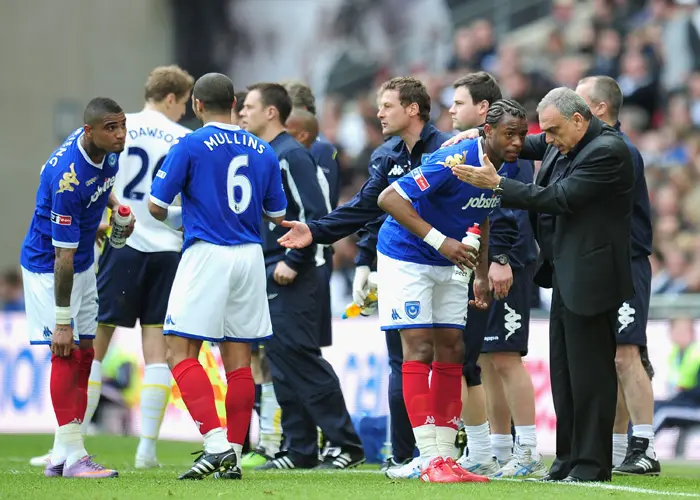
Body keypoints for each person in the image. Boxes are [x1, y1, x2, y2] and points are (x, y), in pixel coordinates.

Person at [450, 87, 635, 482]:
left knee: (591, 375)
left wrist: (495, 183)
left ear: (579, 120)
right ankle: (567, 460)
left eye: (551, 131)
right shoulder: (563, 138)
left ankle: (591, 465)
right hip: (566, 275)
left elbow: (558, 197)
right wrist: (477, 135)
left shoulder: (608, 151)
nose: (544, 139)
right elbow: (523, 141)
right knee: (565, 374)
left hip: (593, 278)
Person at [277, 77, 452, 473]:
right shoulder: (387, 155)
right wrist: (321, 234)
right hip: (402, 265)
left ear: (412, 109)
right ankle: (409, 454)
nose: (378, 113)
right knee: (405, 357)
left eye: (387, 105)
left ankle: (465, 449)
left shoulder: (447, 149)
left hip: (449, 264)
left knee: (457, 358)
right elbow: (364, 209)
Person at [375, 99, 528, 483]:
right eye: (510, 134)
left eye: (523, 135)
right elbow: (389, 198)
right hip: (407, 254)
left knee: (453, 349)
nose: (517, 142)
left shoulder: (503, 166)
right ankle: (428, 457)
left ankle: (446, 456)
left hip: (452, 260)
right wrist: (441, 241)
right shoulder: (454, 159)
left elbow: (484, 214)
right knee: (420, 348)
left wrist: (480, 272)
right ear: (487, 131)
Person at [148, 72, 288, 480]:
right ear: (233, 103)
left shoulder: (189, 144)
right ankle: (236, 456)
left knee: (177, 349)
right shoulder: (262, 149)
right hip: (249, 255)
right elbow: (276, 214)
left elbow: (157, 206)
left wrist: (184, 218)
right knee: (239, 357)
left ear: (196, 105)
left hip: (207, 252)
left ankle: (216, 445)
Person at [240, 83, 364, 470]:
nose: (243, 113)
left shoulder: (292, 155)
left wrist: (295, 260)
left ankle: (346, 444)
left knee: (301, 357)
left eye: (249, 107)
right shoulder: (265, 153)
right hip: (268, 268)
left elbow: (317, 213)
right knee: (281, 361)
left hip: (293, 269)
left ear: (271, 113)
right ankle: (300, 450)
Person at [80, 65, 194, 470]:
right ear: (171, 98)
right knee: (157, 349)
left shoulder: (115, 128)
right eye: (182, 104)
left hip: (122, 242)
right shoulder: (183, 138)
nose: (182, 113)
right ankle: (147, 450)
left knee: (98, 343)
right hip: (168, 248)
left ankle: (74, 443)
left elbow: (94, 177)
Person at [20, 97, 131, 478]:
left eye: (122, 126)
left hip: (82, 261)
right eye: (111, 129)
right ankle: (75, 457)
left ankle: (61, 454)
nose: (120, 136)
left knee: (85, 356)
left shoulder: (108, 152)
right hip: (50, 269)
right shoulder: (67, 178)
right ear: (89, 131)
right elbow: (60, 258)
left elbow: (100, 187)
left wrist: (112, 210)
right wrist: (62, 320)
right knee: (65, 352)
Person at [448, 73, 544, 478]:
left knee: (506, 358)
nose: (451, 109)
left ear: (482, 109)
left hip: (509, 264)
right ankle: (499, 450)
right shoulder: (474, 144)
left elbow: (513, 207)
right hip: (482, 264)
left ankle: (529, 452)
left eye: (459, 102)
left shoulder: (511, 147)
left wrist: (500, 259)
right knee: (486, 359)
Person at [575, 75, 659, 476]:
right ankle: (618, 447)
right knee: (613, 358)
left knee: (628, 355)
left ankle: (645, 446)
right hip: (602, 265)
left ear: (598, 108)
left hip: (625, 263)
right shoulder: (594, 148)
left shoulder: (617, 150)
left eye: (578, 100)